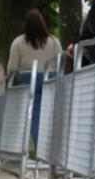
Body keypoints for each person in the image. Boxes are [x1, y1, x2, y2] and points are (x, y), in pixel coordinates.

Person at [8, 9, 63, 147]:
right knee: (50, 114)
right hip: (50, 78)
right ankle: (53, 148)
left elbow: (11, 68)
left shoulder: (18, 42)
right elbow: (60, 62)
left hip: (28, 79)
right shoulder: (54, 42)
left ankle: (40, 147)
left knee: (35, 114)